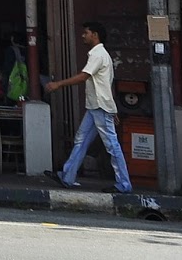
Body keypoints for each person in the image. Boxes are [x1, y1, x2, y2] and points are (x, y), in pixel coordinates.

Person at [45, 22, 132, 193]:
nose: (83, 36)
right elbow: (106, 84)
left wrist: (58, 84)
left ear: (95, 34)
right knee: (81, 139)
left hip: (99, 106)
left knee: (111, 145)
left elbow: (84, 76)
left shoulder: (98, 55)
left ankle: (124, 184)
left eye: (86, 33)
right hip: (96, 106)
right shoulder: (101, 54)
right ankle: (67, 175)